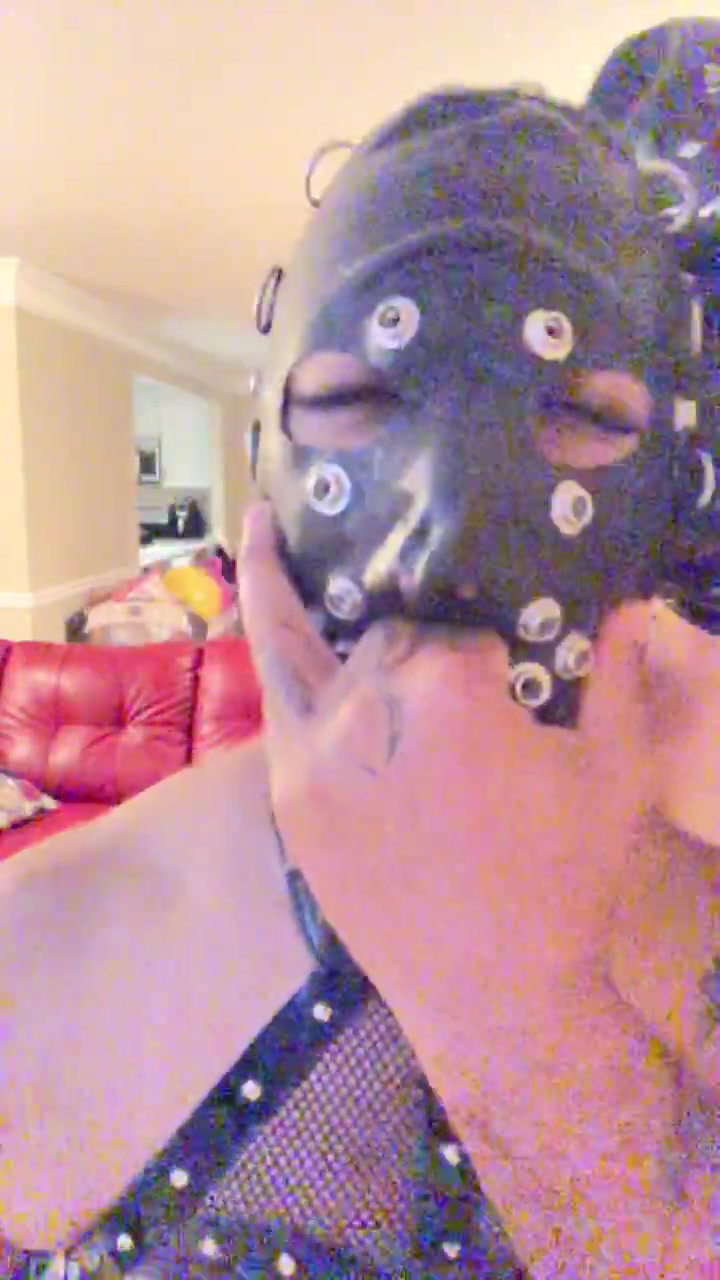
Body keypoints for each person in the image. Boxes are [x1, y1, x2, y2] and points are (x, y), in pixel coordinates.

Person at [0, 77, 718, 1280]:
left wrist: (510, 1002)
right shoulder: (41, 949)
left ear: (684, 482)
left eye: (582, 415)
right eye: (352, 399)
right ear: (264, 453)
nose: (447, 534)